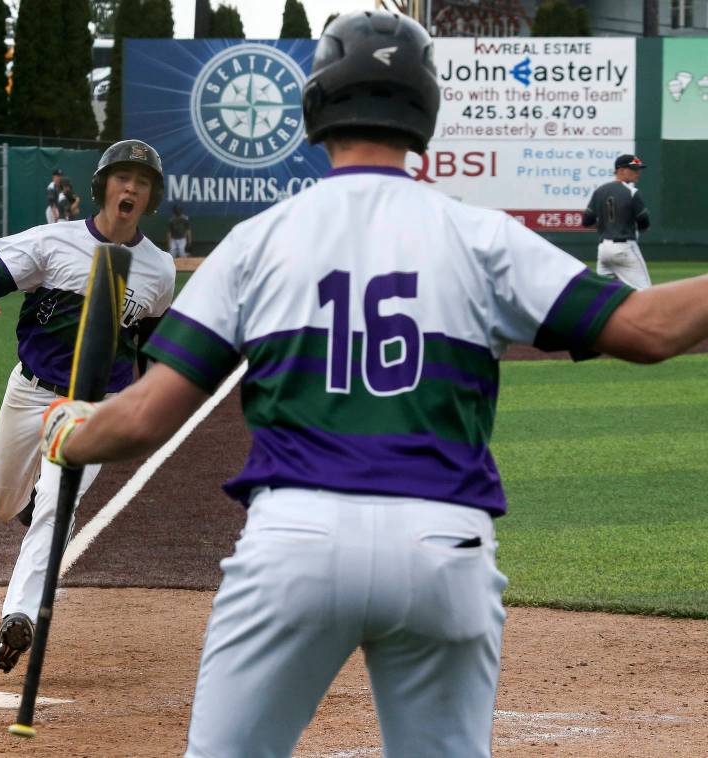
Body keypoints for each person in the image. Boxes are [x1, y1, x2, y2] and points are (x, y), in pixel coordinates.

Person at [40, 11, 708, 758]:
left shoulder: (259, 240)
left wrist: (71, 431)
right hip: (443, 543)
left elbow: (143, 420)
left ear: (318, 105)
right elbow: (651, 330)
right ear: (424, 110)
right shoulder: (480, 235)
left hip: (296, 541)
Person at [0, 139, 175, 674]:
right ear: (103, 187)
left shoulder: (158, 269)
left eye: (142, 183)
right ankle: (34, 510)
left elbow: (147, 343)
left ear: (151, 198)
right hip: (31, 392)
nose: (131, 188)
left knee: (57, 508)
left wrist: (142, 408)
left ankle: (18, 618)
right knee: (3, 506)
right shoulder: (53, 242)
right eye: (123, 178)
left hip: (96, 408)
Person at [582, 154, 652, 289]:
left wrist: (605, 224)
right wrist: (642, 227)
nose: (638, 172)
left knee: (604, 295)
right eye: (633, 169)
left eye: (638, 169)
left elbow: (586, 221)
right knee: (645, 294)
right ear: (620, 170)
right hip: (624, 248)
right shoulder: (632, 192)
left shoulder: (599, 191)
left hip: (603, 250)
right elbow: (644, 222)